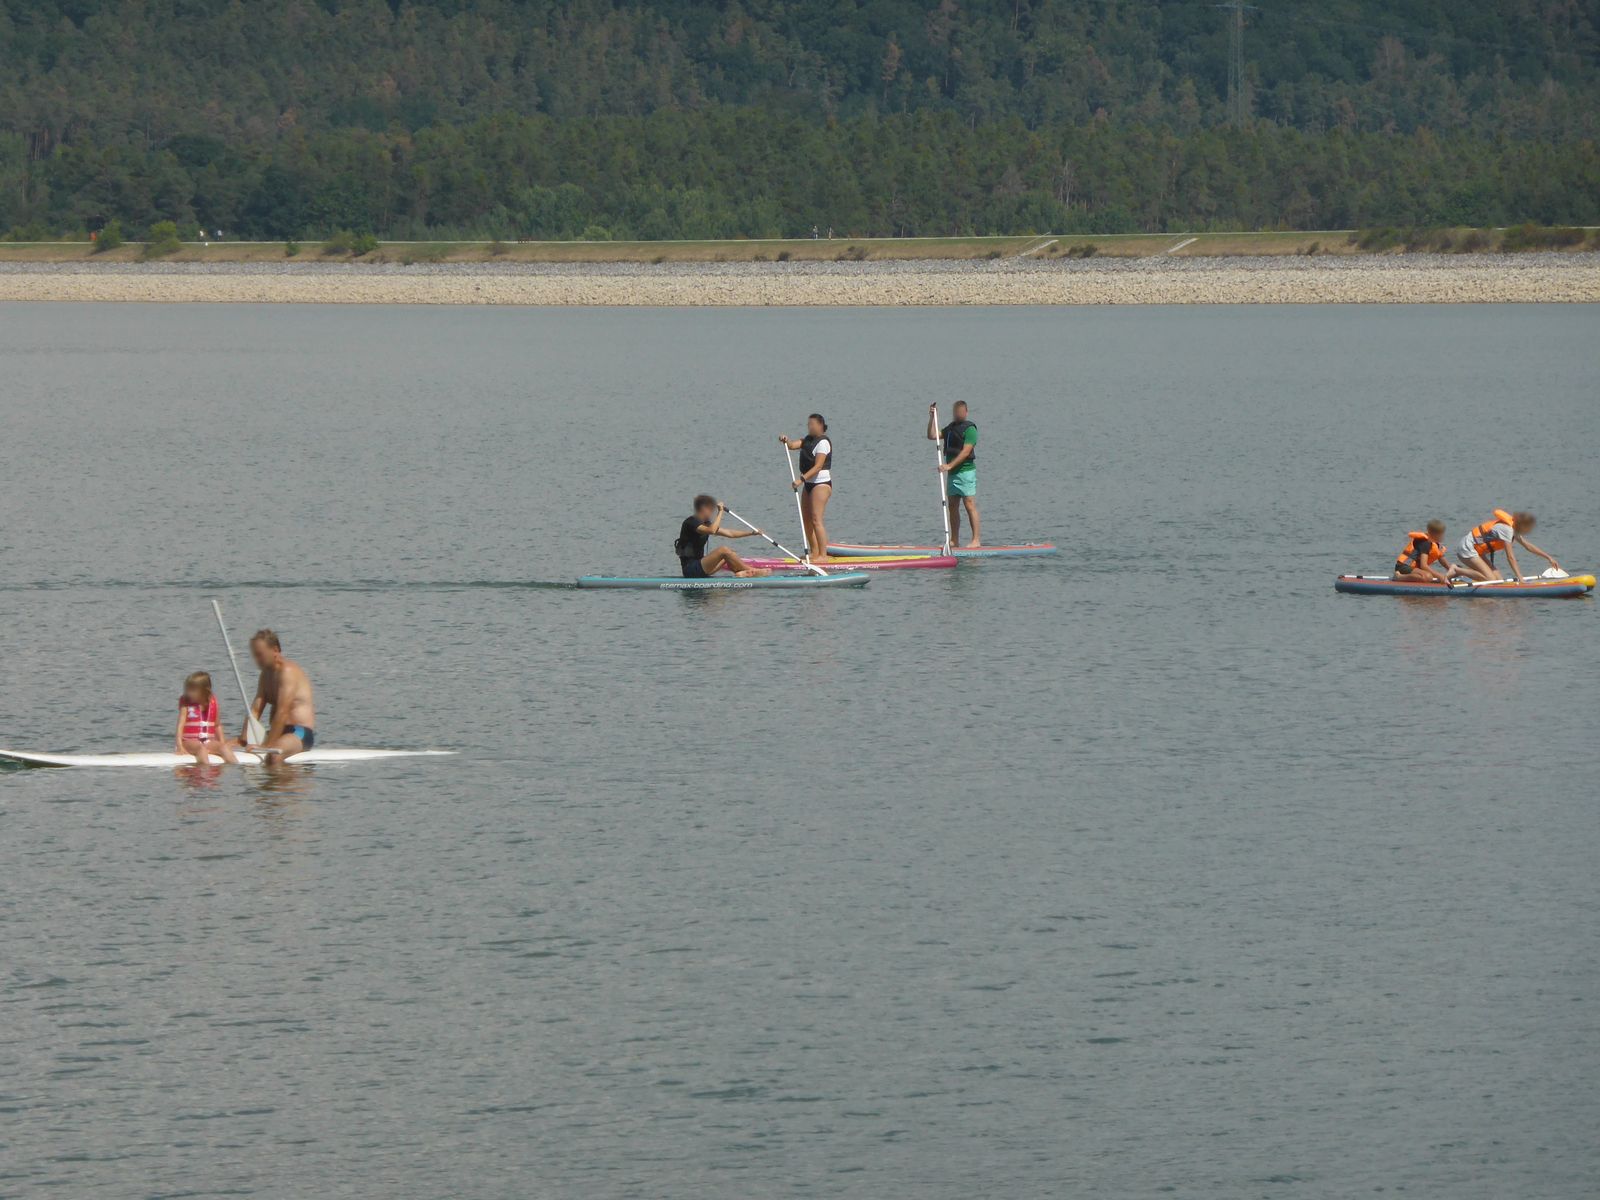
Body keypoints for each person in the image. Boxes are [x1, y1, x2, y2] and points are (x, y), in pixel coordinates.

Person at [230, 629, 317, 756]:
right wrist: (243, 740)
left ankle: (280, 771)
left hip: (298, 732)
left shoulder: (287, 672)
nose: (257, 660)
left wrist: (266, 746)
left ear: (275, 650)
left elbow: (282, 711)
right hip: (276, 733)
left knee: (273, 756)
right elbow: (255, 710)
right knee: (226, 747)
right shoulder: (265, 675)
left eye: (260, 655)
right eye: (255, 655)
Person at [676, 495, 771, 578]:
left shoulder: (706, 524)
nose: (712, 513)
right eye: (711, 510)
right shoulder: (691, 522)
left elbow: (730, 533)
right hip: (690, 569)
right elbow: (712, 530)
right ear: (703, 508)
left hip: (702, 567)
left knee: (730, 553)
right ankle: (752, 571)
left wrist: (751, 533)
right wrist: (720, 511)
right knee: (723, 550)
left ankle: (741, 573)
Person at [1454, 509, 1560, 582]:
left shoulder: (1514, 529)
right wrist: (1520, 578)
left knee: (1498, 581)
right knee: (1490, 580)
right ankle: (1457, 570)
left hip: (1477, 551)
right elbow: (1510, 557)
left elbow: (1528, 546)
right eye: (1528, 528)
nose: (1529, 530)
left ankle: (1476, 575)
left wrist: (1548, 557)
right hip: (1467, 548)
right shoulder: (1507, 530)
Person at [781, 414, 833, 560]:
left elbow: (817, 466)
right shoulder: (808, 440)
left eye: (812, 424)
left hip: (821, 484)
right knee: (806, 520)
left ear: (820, 425)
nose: (809, 426)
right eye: (808, 424)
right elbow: (792, 446)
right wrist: (786, 441)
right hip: (809, 485)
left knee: (816, 519)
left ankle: (823, 555)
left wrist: (801, 479)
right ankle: (814, 552)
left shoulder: (823, 442)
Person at [929, 401, 980, 547]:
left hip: (966, 472)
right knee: (952, 505)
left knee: (969, 504)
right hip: (952, 474)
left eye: (961, 411)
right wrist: (932, 417)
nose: (958, 414)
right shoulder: (951, 428)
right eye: (956, 411)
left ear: (966, 412)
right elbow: (932, 435)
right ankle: (954, 540)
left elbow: (965, 451)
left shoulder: (970, 429)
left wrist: (949, 465)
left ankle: (976, 540)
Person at [175, 671, 238, 766]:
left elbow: (217, 726)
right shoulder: (185, 703)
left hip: (207, 742)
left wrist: (222, 743)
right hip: (189, 741)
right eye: (187, 690)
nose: (188, 693)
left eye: (192, 691)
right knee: (201, 749)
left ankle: (234, 770)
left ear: (204, 691)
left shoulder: (213, 702)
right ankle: (204, 773)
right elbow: (180, 725)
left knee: (224, 748)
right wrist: (180, 746)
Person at [1393, 520, 1468, 584]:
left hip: (1414, 568)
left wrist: (1453, 571)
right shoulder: (1425, 543)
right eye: (1442, 534)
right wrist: (1440, 576)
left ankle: (1417, 576)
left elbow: (1443, 561)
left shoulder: (1436, 545)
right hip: (1404, 566)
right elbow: (1423, 566)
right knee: (1428, 577)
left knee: (1430, 575)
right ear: (1435, 534)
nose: (1443, 536)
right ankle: (1399, 577)